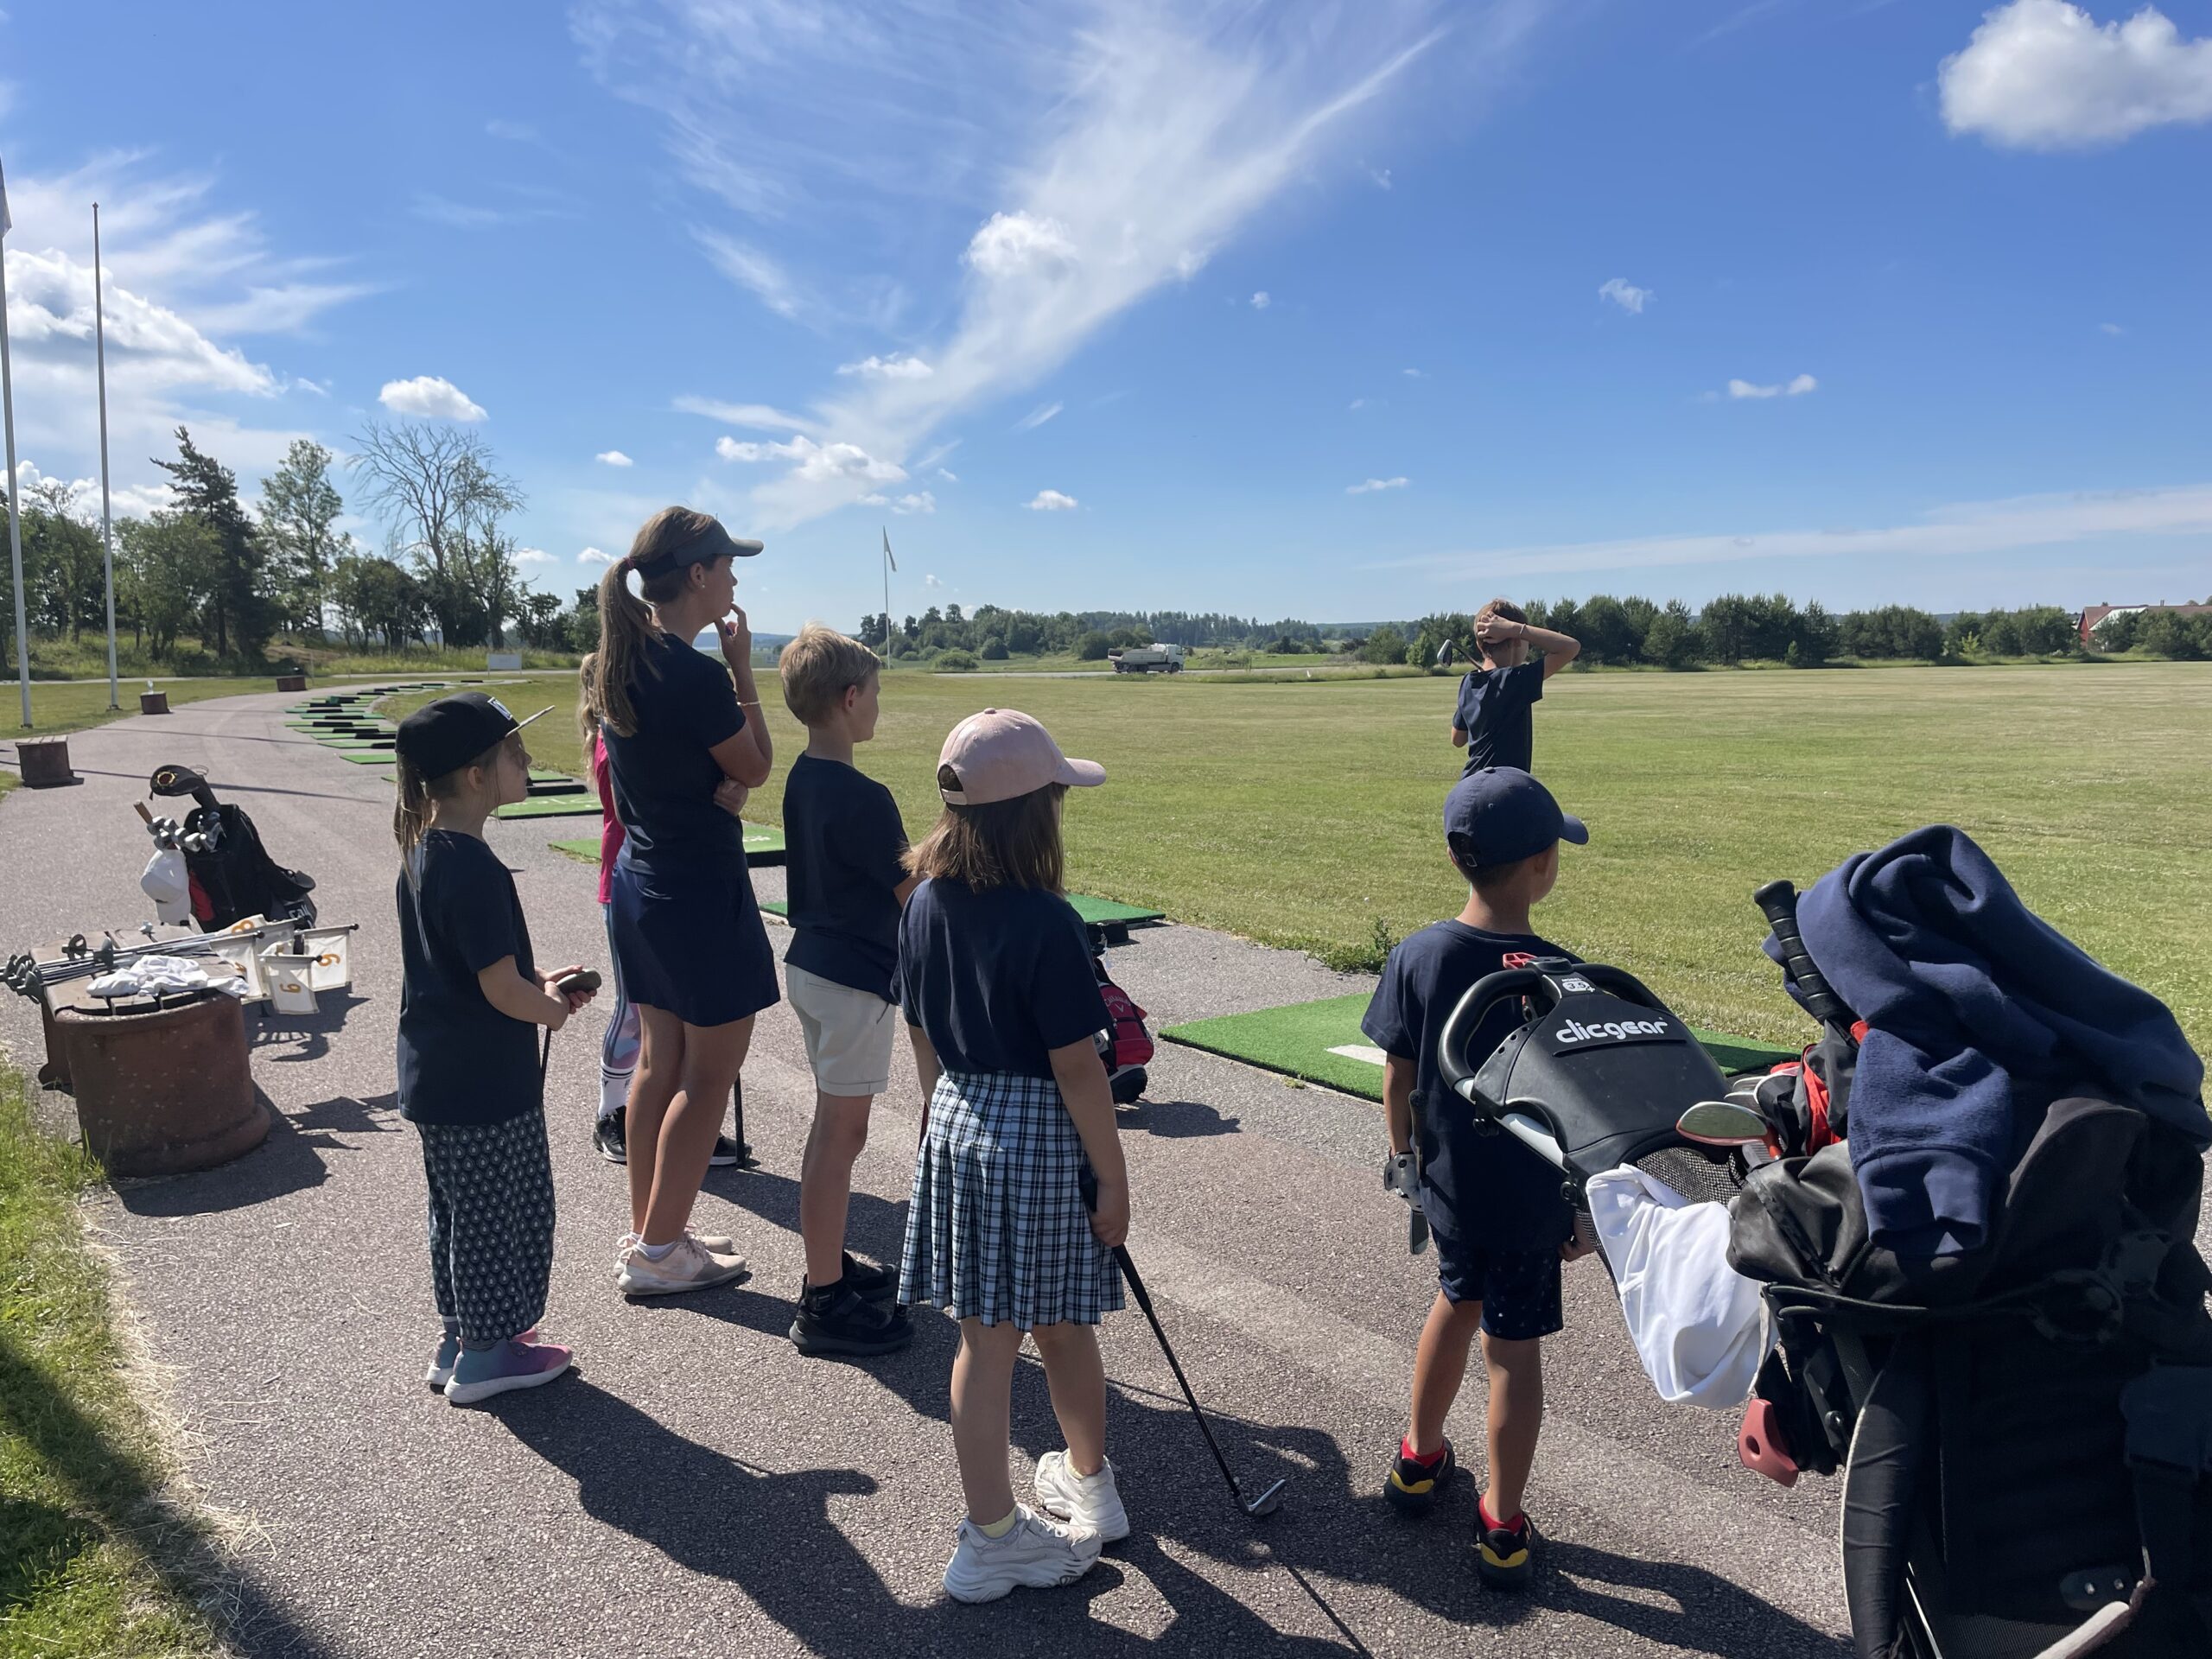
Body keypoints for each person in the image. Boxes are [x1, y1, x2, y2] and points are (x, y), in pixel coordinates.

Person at [895, 710, 1130, 1604]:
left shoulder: (921, 899)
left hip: (958, 1115)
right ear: (1036, 812)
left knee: (988, 1339)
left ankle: (1071, 1494)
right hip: (1035, 1130)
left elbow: (918, 1031)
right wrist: (1111, 1174)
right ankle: (1021, 1523)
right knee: (1053, 1326)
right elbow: (1078, 1067)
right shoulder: (1047, 921)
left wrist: (935, 1121)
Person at [1363, 766, 1595, 1586]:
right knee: (1514, 1352)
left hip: (1452, 1191)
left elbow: (1396, 1077)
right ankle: (1501, 1520)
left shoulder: (1419, 954)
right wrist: (1584, 1210)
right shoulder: (1562, 973)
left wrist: (1406, 1159)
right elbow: (1579, 1114)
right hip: (1529, 1204)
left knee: (1454, 1302)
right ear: (1541, 865)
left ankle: (1418, 1460)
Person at [589, 507, 775, 1298]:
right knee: (708, 1078)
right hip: (698, 889)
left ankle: (651, 1235)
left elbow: (695, 774)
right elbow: (757, 767)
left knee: (658, 1065)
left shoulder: (614, 661)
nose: (735, 574)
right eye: (727, 562)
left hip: (643, 883)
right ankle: (661, 1251)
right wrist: (742, 670)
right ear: (697, 575)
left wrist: (717, 787)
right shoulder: (693, 674)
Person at [392, 691, 597, 1404]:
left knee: (455, 1211)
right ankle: (487, 1355)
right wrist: (549, 1009)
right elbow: (499, 991)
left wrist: (538, 979)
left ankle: (460, 1336)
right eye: (516, 753)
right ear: (476, 776)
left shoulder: (425, 851)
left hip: (438, 1075)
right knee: (498, 1215)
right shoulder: (474, 866)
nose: (528, 760)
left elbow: (473, 966)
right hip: (483, 1082)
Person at [777, 625, 918, 1359]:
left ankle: (826, 1270)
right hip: (850, 978)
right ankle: (823, 1296)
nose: (877, 706)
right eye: (875, 693)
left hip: (815, 966)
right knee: (842, 1137)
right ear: (850, 697)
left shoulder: (803, 777)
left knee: (833, 1130)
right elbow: (909, 893)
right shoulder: (866, 795)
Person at [580, 653, 748, 1172]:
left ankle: (681, 1121)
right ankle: (613, 1112)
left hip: (663, 881)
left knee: (679, 1022)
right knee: (637, 1012)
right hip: (632, 882)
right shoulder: (614, 743)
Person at [1449, 600, 1580, 778]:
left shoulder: (1468, 682)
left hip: (1469, 785)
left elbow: (1457, 739)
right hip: (1506, 787)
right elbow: (1570, 647)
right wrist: (1516, 629)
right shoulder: (1516, 679)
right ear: (1518, 641)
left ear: (1480, 644)